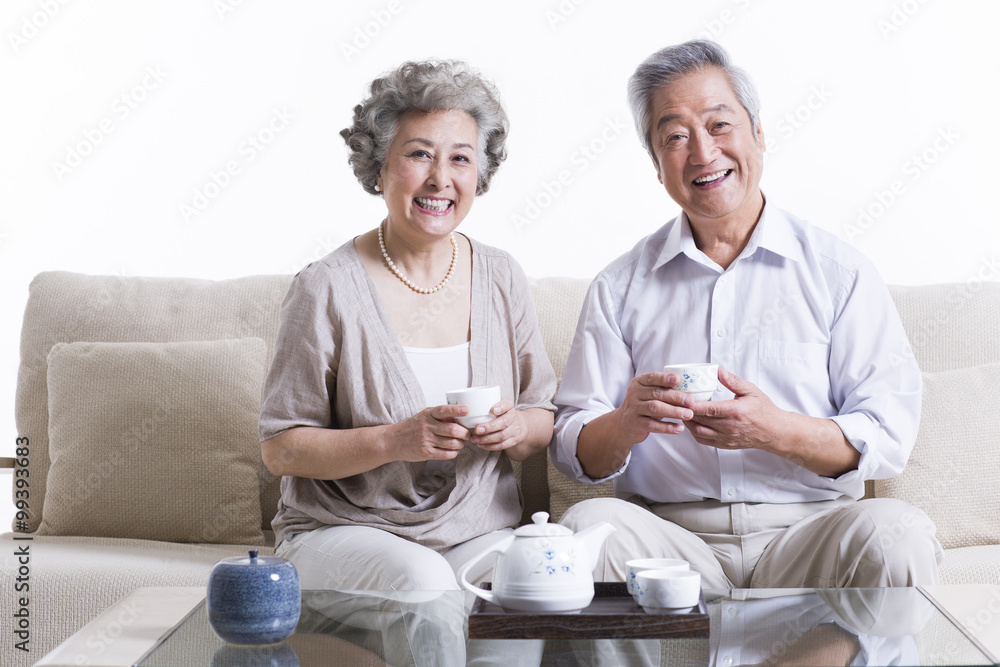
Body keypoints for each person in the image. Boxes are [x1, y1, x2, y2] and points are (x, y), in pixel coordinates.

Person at [550, 40, 942, 590]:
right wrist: (625, 423)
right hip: (669, 538)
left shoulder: (840, 272)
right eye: (675, 137)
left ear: (758, 132)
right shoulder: (619, 286)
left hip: (811, 532)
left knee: (900, 533)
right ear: (657, 165)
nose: (703, 153)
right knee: (591, 528)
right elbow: (573, 448)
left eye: (719, 125)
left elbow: (886, 434)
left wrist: (774, 430)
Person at [260, 59, 557, 596]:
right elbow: (282, 449)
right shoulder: (325, 288)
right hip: (344, 530)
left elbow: (542, 415)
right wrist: (395, 440)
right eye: (419, 154)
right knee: (424, 580)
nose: (440, 179)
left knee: (542, 577)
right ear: (379, 166)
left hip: (476, 528)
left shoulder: (501, 276)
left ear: (479, 175)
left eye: (460, 159)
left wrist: (517, 429)